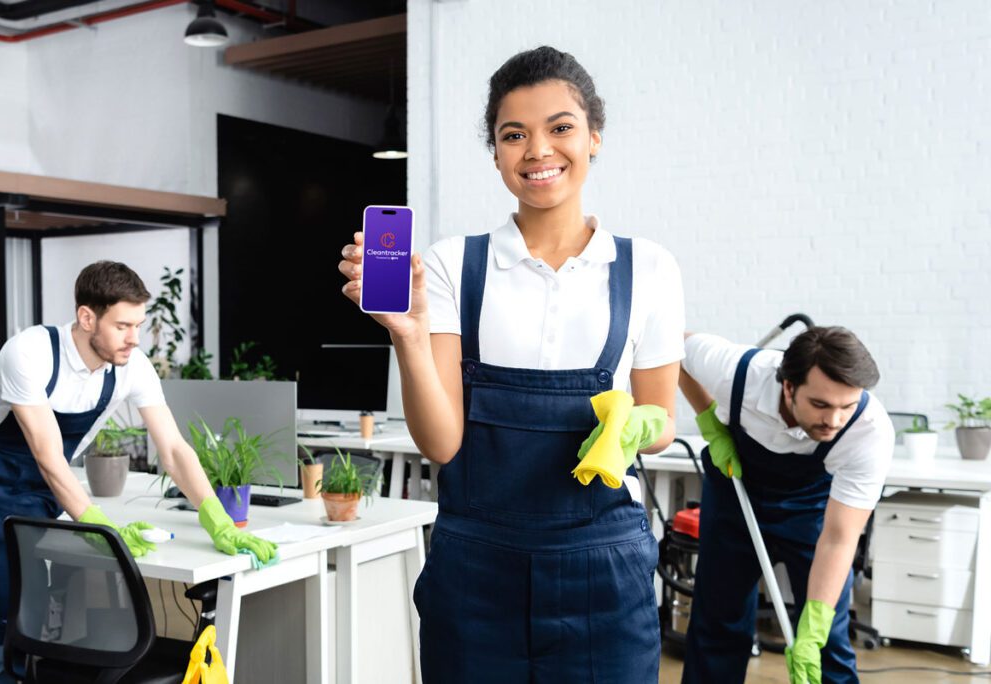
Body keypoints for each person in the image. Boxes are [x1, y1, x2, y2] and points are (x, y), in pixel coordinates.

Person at [338, 46, 685, 682]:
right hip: (476, 571)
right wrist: (409, 336)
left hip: (604, 570)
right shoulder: (450, 265)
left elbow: (661, 417)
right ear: (496, 151)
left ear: (593, 138)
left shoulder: (648, 269)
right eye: (513, 134)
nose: (538, 150)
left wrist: (638, 425)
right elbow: (442, 443)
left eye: (560, 128)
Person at [0, 261, 277, 684]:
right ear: (86, 317)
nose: (135, 338)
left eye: (139, 324)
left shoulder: (131, 365)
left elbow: (172, 448)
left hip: (49, 498)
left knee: (45, 620)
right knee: (2, 621)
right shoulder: (31, 353)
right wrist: (100, 527)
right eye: (123, 325)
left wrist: (216, 518)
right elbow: (48, 456)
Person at [679, 326, 895, 684]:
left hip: (812, 509)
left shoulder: (868, 431)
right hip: (735, 492)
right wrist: (709, 420)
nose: (834, 421)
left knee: (825, 633)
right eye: (821, 405)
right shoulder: (738, 372)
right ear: (789, 386)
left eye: (847, 406)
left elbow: (841, 537)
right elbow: (673, 346)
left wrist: (813, 629)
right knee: (718, 620)